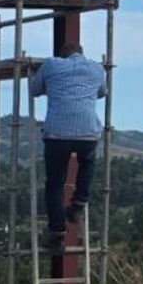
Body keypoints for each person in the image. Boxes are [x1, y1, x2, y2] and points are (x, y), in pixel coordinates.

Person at [29, 42, 105, 250]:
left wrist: (53, 86)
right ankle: (79, 202)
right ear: (82, 53)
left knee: (55, 184)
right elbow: (101, 92)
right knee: (87, 163)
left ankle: (57, 235)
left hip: (57, 133)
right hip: (88, 131)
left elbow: (34, 90)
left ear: (62, 55)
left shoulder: (51, 64)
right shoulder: (97, 68)